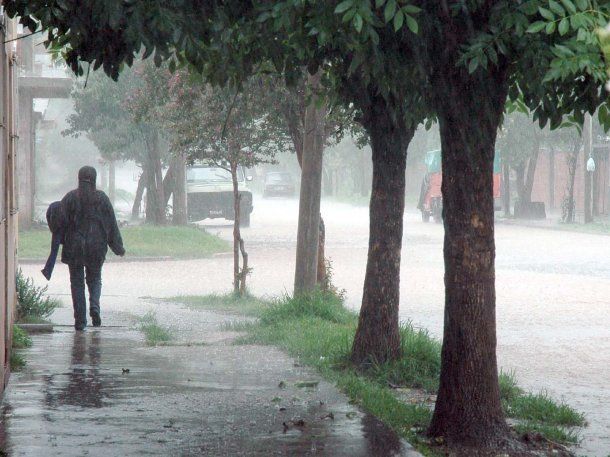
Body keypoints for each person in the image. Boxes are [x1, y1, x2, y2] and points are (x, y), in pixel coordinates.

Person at [61, 166, 125, 331]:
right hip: (96, 246)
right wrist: (118, 247)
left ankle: (80, 321)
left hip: (74, 246)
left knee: (77, 283)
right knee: (95, 279)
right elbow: (111, 224)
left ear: (79, 178)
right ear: (94, 180)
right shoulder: (101, 198)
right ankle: (94, 306)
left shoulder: (70, 198)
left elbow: (60, 223)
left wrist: (61, 242)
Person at [41, 201, 65, 281]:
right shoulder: (68, 206)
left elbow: (48, 216)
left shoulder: (53, 205)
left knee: (54, 252)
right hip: (64, 230)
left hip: (56, 230)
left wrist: (52, 229)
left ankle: (47, 272)